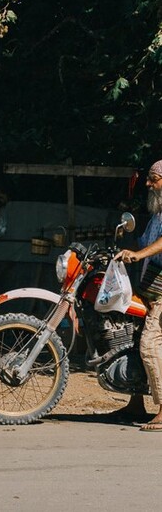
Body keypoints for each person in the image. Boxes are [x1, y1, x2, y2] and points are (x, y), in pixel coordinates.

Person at [116, 160, 162, 430]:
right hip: (149, 289)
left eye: (153, 179)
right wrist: (122, 248)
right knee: (131, 340)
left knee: (149, 345)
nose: (148, 184)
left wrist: (138, 254)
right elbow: (144, 241)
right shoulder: (158, 213)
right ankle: (136, 403)